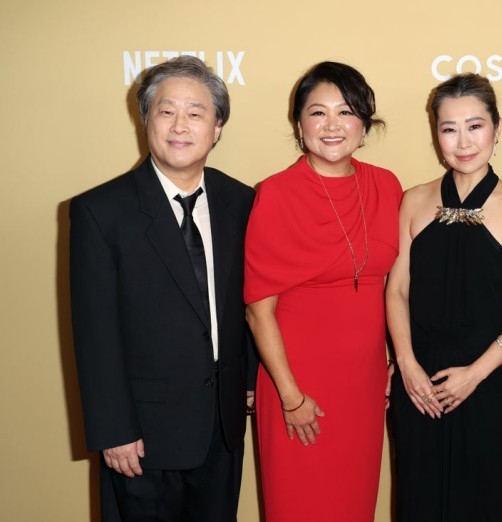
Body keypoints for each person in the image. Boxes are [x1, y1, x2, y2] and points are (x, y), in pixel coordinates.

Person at [69, 55, 257, 521]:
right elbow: (95, 332)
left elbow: (250, 301)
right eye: (166, 111)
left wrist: (251, 380)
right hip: (140, 438)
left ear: (217, 128)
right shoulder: (100, 211)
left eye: (195, 113)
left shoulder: (242, 202)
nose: (179, 126)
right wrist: (113, 429)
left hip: (221, 427)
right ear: (145, 119)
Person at [244, 61, 402, 521]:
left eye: (346, 112)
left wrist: (397, 358)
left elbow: (398, 289)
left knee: (354, 504)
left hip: (365, 385)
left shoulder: (386, 185)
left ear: (364, 124)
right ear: (299, 125)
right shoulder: (277, 194)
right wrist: (291, 396)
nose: (332, 125)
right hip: (297, 384)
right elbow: (258, 311)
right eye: (318, 113)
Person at [386, 73, 502, 521]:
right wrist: (407, 366)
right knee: (416, 505)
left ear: (497, 128)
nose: (463, 142)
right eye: (449, 128)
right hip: (418, 385)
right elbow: (396, 290)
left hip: (487, 384)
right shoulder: (413, 201)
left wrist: (474, 375)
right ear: (436, 135)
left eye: (475, 126)